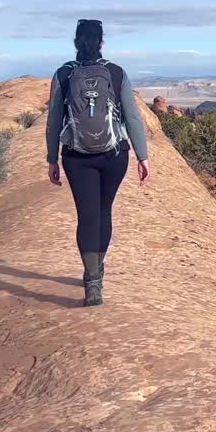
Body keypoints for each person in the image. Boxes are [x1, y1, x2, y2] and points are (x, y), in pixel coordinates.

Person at [46, 19, 151, 307]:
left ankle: (92, 282)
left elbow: (54, 120)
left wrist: (51, 157)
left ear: (76, 42)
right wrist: (143, 156)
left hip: (76, 157)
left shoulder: (64, 74)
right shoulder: (115, 73)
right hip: (114, 155)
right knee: (104, 212)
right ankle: (97, 270)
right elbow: (132, 117)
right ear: (101, 42)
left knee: (87, 215)